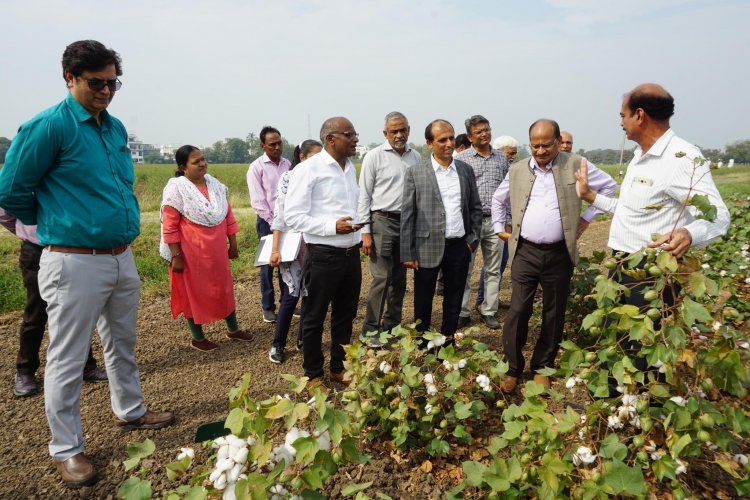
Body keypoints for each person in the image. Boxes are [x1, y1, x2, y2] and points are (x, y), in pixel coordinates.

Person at [0, 40, 174, 487]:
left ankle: (130, 410)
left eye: (113, 82)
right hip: (73, 261)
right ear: (69, 78)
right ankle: (66, 448)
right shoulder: (47, 127)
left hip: (121, 256)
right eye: (96, 82)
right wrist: (57, 222)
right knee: (67, 356)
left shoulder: (113, 129)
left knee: (122, 342)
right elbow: (11, 191)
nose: (106, 91)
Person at [576, 83, 729, 318]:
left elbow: (718, 216)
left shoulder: (682, 158)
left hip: (652, 273)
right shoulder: (639, 156)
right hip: (621, 263)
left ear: (639, 115)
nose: (620, 123)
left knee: (644, 343)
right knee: (621, 339)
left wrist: (689, 233)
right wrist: (590, 196)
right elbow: (629, 209)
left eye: (622, 116)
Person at [492, 119, 617, 393]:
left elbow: (609, 187)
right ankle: (512, 367)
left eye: (546, 145)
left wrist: (586, 218)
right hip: (525, 251)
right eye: (534, 145)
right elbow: (498, 200)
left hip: (559, 252)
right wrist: (499, 228)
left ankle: (542, 367)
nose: (539, 151)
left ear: (559, 142)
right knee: (518, 309)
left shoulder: (576, 164)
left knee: (554, 310)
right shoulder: (517, 170)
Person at [284, 117, 363, 391]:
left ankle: (338, 368)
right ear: (331, 139)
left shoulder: (350, 168)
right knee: (314, 316)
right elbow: (292, 216)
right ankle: (313, 374)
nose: (355, 139)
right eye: (349, 134)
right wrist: (332, 227)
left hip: (351, 254)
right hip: (323, 255)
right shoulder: (309, 169)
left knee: (345, 315)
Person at [0, 209, 108, 397]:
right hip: (38, 249)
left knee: (77, 310)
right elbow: (4, 210)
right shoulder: (26, 179)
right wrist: (26, 231)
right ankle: (25, 371)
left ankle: (86, 365)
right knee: (36, 312)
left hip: (72, 249)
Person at [160, 146, 251, 351]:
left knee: (224, 289)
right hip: (191, 255)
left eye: (203, 159)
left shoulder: (215, 185)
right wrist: (176, 256)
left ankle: (233, 329)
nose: (202, 164)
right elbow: (170, 227)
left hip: (217, 252)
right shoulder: (176, 190)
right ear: (183, 167)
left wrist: (233, 244)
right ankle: (198, 337)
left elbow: (228, 217)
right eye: (196, 161)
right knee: (194, 293)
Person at [401, 119, 482, 344]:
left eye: (451, 138)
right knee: (424, 298)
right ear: (429, 143)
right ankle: (422, 341)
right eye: (442, 139)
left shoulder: (465, 170)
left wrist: (471, 240)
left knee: (454, 297)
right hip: (427, 246)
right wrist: (408, 252)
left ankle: (447, 340)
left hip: (459, 245)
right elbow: (408, 213)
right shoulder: (416, 172)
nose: (448, 143)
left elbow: (475, 208)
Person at [357, 112, 422, 343]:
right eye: (393, 131)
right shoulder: (374, 157)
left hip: (406, 223)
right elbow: (364, 195)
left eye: (402, 130)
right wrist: (364, 231)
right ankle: (370, 330)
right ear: (385, 133)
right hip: (381, 221)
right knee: (381, 278)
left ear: (408, 130)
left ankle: (391, 327)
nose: (399, 134)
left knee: (400, 279)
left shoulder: (415, 157)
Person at [268, 139, 323, 364]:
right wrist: (275, 249)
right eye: (314, 157)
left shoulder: (323, 178)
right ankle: (278, 344)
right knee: (291, 296)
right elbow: (279, 216)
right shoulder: (288, 179)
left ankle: (303, 338)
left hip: (316, 244)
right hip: (293, 244)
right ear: (302, 158)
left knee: (311, 296)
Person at [455, 115, 510, 330]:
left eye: (487, 129)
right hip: (470, 222)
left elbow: (509, 192)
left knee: (493, 269)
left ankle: (489, 310)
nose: (484, 134)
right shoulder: (462, 159)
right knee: (464, 269)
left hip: (496, 222)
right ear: (470, 136)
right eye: (479, 132)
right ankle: (462, 311)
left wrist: (509, 220)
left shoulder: (501, 159)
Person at [247, 126, 292, 323]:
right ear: (262, 146)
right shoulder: (256, 167)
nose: (277, 147)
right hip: (267, 223)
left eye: (279, 143)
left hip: (287, 221)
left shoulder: (287, 164)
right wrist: (275, 222)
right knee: (268, 265)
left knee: (286, 261)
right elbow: (258, 202)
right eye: (272, 144)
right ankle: (268, 307)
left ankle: (287, 302)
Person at [475, 136, 519, 309]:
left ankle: (490, 301)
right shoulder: (486, 165)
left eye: (515, 153)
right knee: (491, 265)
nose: (513, 156)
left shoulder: (509, 169)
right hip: (483, 220)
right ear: (500, 151)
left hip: (502, 221)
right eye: (510, 153)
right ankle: (481, 300)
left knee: (498, 264)